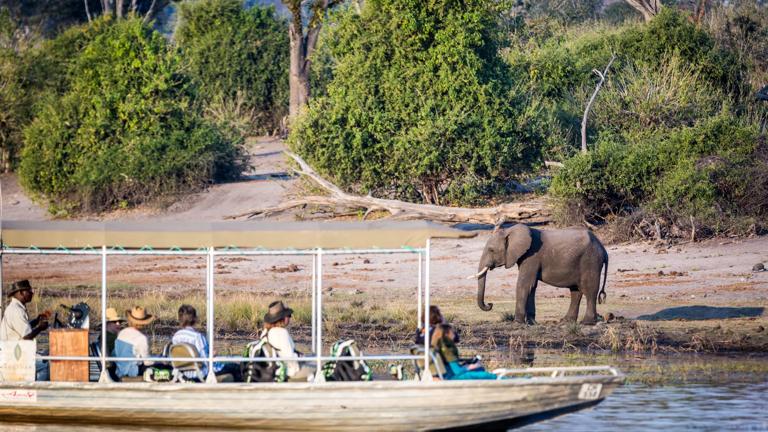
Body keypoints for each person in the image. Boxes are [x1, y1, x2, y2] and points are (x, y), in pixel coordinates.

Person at [171, 304, 241, 381]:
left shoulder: (176, 337)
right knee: (236, 367)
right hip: (202, 373)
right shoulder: (197, 337)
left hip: (185, 373)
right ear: (195, 319)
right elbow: (205, 360)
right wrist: (212, 355)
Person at [261, 300, 315, 382]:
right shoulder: (281, 332)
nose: (290, 317)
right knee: (322, 364)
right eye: (288, 315)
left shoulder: (265, 332)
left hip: (274, 369)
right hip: (289, 372)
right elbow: (291, 359)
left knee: (313, 358)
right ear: (282, 318)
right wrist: (302, 358)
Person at [431, 324, 496, 380]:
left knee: (480, 370)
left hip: (448, 375)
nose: (454, 334)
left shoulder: (437, 346)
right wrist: (470, 367)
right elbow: (457, 371)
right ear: (447, 334)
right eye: (452, 332)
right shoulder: (446, 347)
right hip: (452, 377)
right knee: (489, 375)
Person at [113, 306, 155, 379]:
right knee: (161, 367)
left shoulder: (121, 333)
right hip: (132, 372)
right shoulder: (141, 338)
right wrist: (159, 360)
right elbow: (147, 361)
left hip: (119, 371)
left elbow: (115, 353)